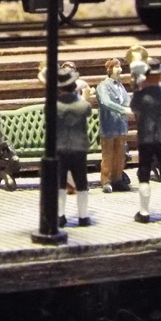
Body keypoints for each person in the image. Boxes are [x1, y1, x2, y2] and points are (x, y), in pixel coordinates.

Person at [130, 58, 161, 223]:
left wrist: (139, 85)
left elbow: (133, 107)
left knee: (144, 173)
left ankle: (144, 213)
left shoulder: (140, 96)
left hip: (145, 138)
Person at [55, 66, 93, 226]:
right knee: (82, 183)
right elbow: (88, 110)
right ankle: (83, 217)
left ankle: (60, 216)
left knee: (60, 183)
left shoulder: (54, 106)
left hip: (61, 148)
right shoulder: (83, 105)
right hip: (79, 149)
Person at [95, 58, 133, 194]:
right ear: (109, 70)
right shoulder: (103, 86)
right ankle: (106, 180)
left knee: (120, 154)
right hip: (109, 125)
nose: (120, 70)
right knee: (108, 155)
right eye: (116, 67)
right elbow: (106, 102)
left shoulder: (120, 86)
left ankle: (117, 179)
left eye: (120, 67)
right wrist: (123, 110)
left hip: (121, 125)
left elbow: (127, 100)